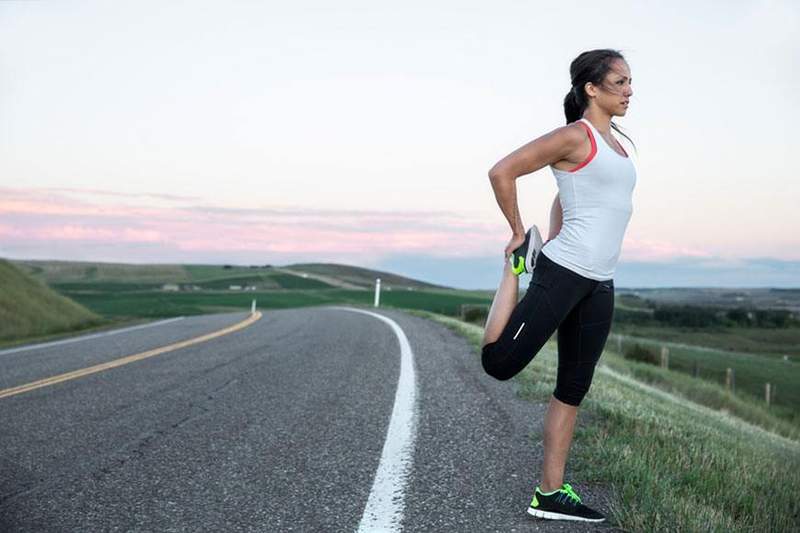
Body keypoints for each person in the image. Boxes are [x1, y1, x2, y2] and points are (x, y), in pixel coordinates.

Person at [481, 48, 636, 523]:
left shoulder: (618, 146)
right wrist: (517, 233)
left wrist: (555, 229)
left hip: (600, 283)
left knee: (573, 387)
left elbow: (569, 192)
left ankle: (549, 493)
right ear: (592, 88)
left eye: (631, 82)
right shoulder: (575, 134)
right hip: (563, 274)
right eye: (620, 82)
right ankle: (514, 270)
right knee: (500, 363)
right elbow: (502, 171)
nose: (629, 91)